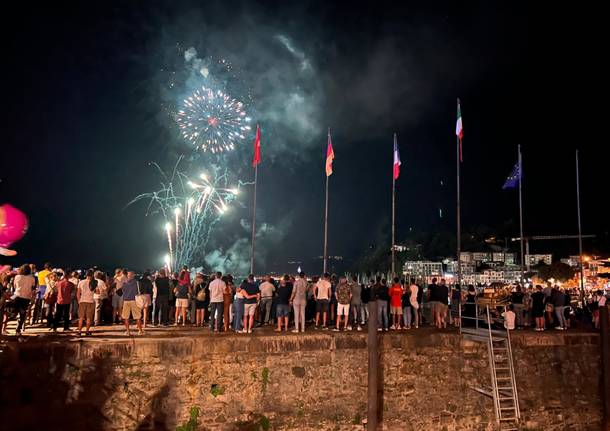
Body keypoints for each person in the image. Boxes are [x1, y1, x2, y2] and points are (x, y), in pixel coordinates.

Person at [13, 264, 36, 335]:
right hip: (26, 297)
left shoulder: (17, 277)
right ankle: (18, 329)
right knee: (23, 314)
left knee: (8, 309)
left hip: (16, 296)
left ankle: (14, 315)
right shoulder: (32, 278)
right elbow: (33, 288)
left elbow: (14, 286)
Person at [121, 271, 143, 335]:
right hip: (134, 300)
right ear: (133, 276)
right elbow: (139, 291)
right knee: (138, 317)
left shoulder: (124, 283)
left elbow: (122, 291)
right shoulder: (137, 282)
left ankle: (128, 332)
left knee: (126, 317)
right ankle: (140, 331)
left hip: (126, 301)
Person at [77, 269, 96, 337]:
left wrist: (79, 301)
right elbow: (98, 292)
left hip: (82, 301)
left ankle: (79, 331)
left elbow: (78, 293)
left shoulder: (81, 282)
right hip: (90, 301)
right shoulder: (94, 282)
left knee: (81, 318)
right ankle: (87, 331)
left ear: (86, 275)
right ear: (92, 275)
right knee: (89, 318)